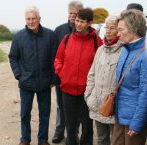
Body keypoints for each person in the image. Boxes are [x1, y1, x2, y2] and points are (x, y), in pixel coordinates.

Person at [9, 6, 57, 145]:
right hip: (26, 83)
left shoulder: (50, 35)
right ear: (26, 20)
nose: (31, 21)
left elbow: (55, 58)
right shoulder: (19, 37)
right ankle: (25, 139)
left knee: (45, 114)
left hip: (45, 83)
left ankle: (42, 140)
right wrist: (18, 74)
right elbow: (13, 57)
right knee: (25, 114)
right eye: (28, 19)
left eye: (33, 18)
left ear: (39, 19)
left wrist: (54, 78)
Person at [54, 8, 103, 145]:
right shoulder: (67, 38)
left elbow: (100, 65)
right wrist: (62, 73)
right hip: (67, 91)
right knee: (70, 127)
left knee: (87, 127)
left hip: (87, 93)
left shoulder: (97, 42)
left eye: (82, 21)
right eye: (77, 20)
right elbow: (58, 59)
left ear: (90, 23)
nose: (78, 24)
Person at [85, 15, 123, 145]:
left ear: (119, 30)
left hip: (113, 106)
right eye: (107, 27)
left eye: (112, 28)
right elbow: (91, 74)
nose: (108, 31)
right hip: (97, 104)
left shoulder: (124, 51)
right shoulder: (100, 50)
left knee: (115, 140)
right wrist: (89, 95)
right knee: (101, 139)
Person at [111, 9, 147, 145]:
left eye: (121, 30)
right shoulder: (125, 50)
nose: (118, 34)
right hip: (120, 116)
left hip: (134, 120)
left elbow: (145, 93)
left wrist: (137, 123)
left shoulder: (144, 55)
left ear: (134, 29)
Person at [52, 0, 83, 143]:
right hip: (61, 79)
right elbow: (54, 56)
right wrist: (56, 76)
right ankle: (59, 132)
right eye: (70, 13)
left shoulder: (84, 31)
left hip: (78, 80)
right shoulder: (59, 30)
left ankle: (73, 134)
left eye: (75, 14)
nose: (72, 16)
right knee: (61, 106)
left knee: (75, 109)